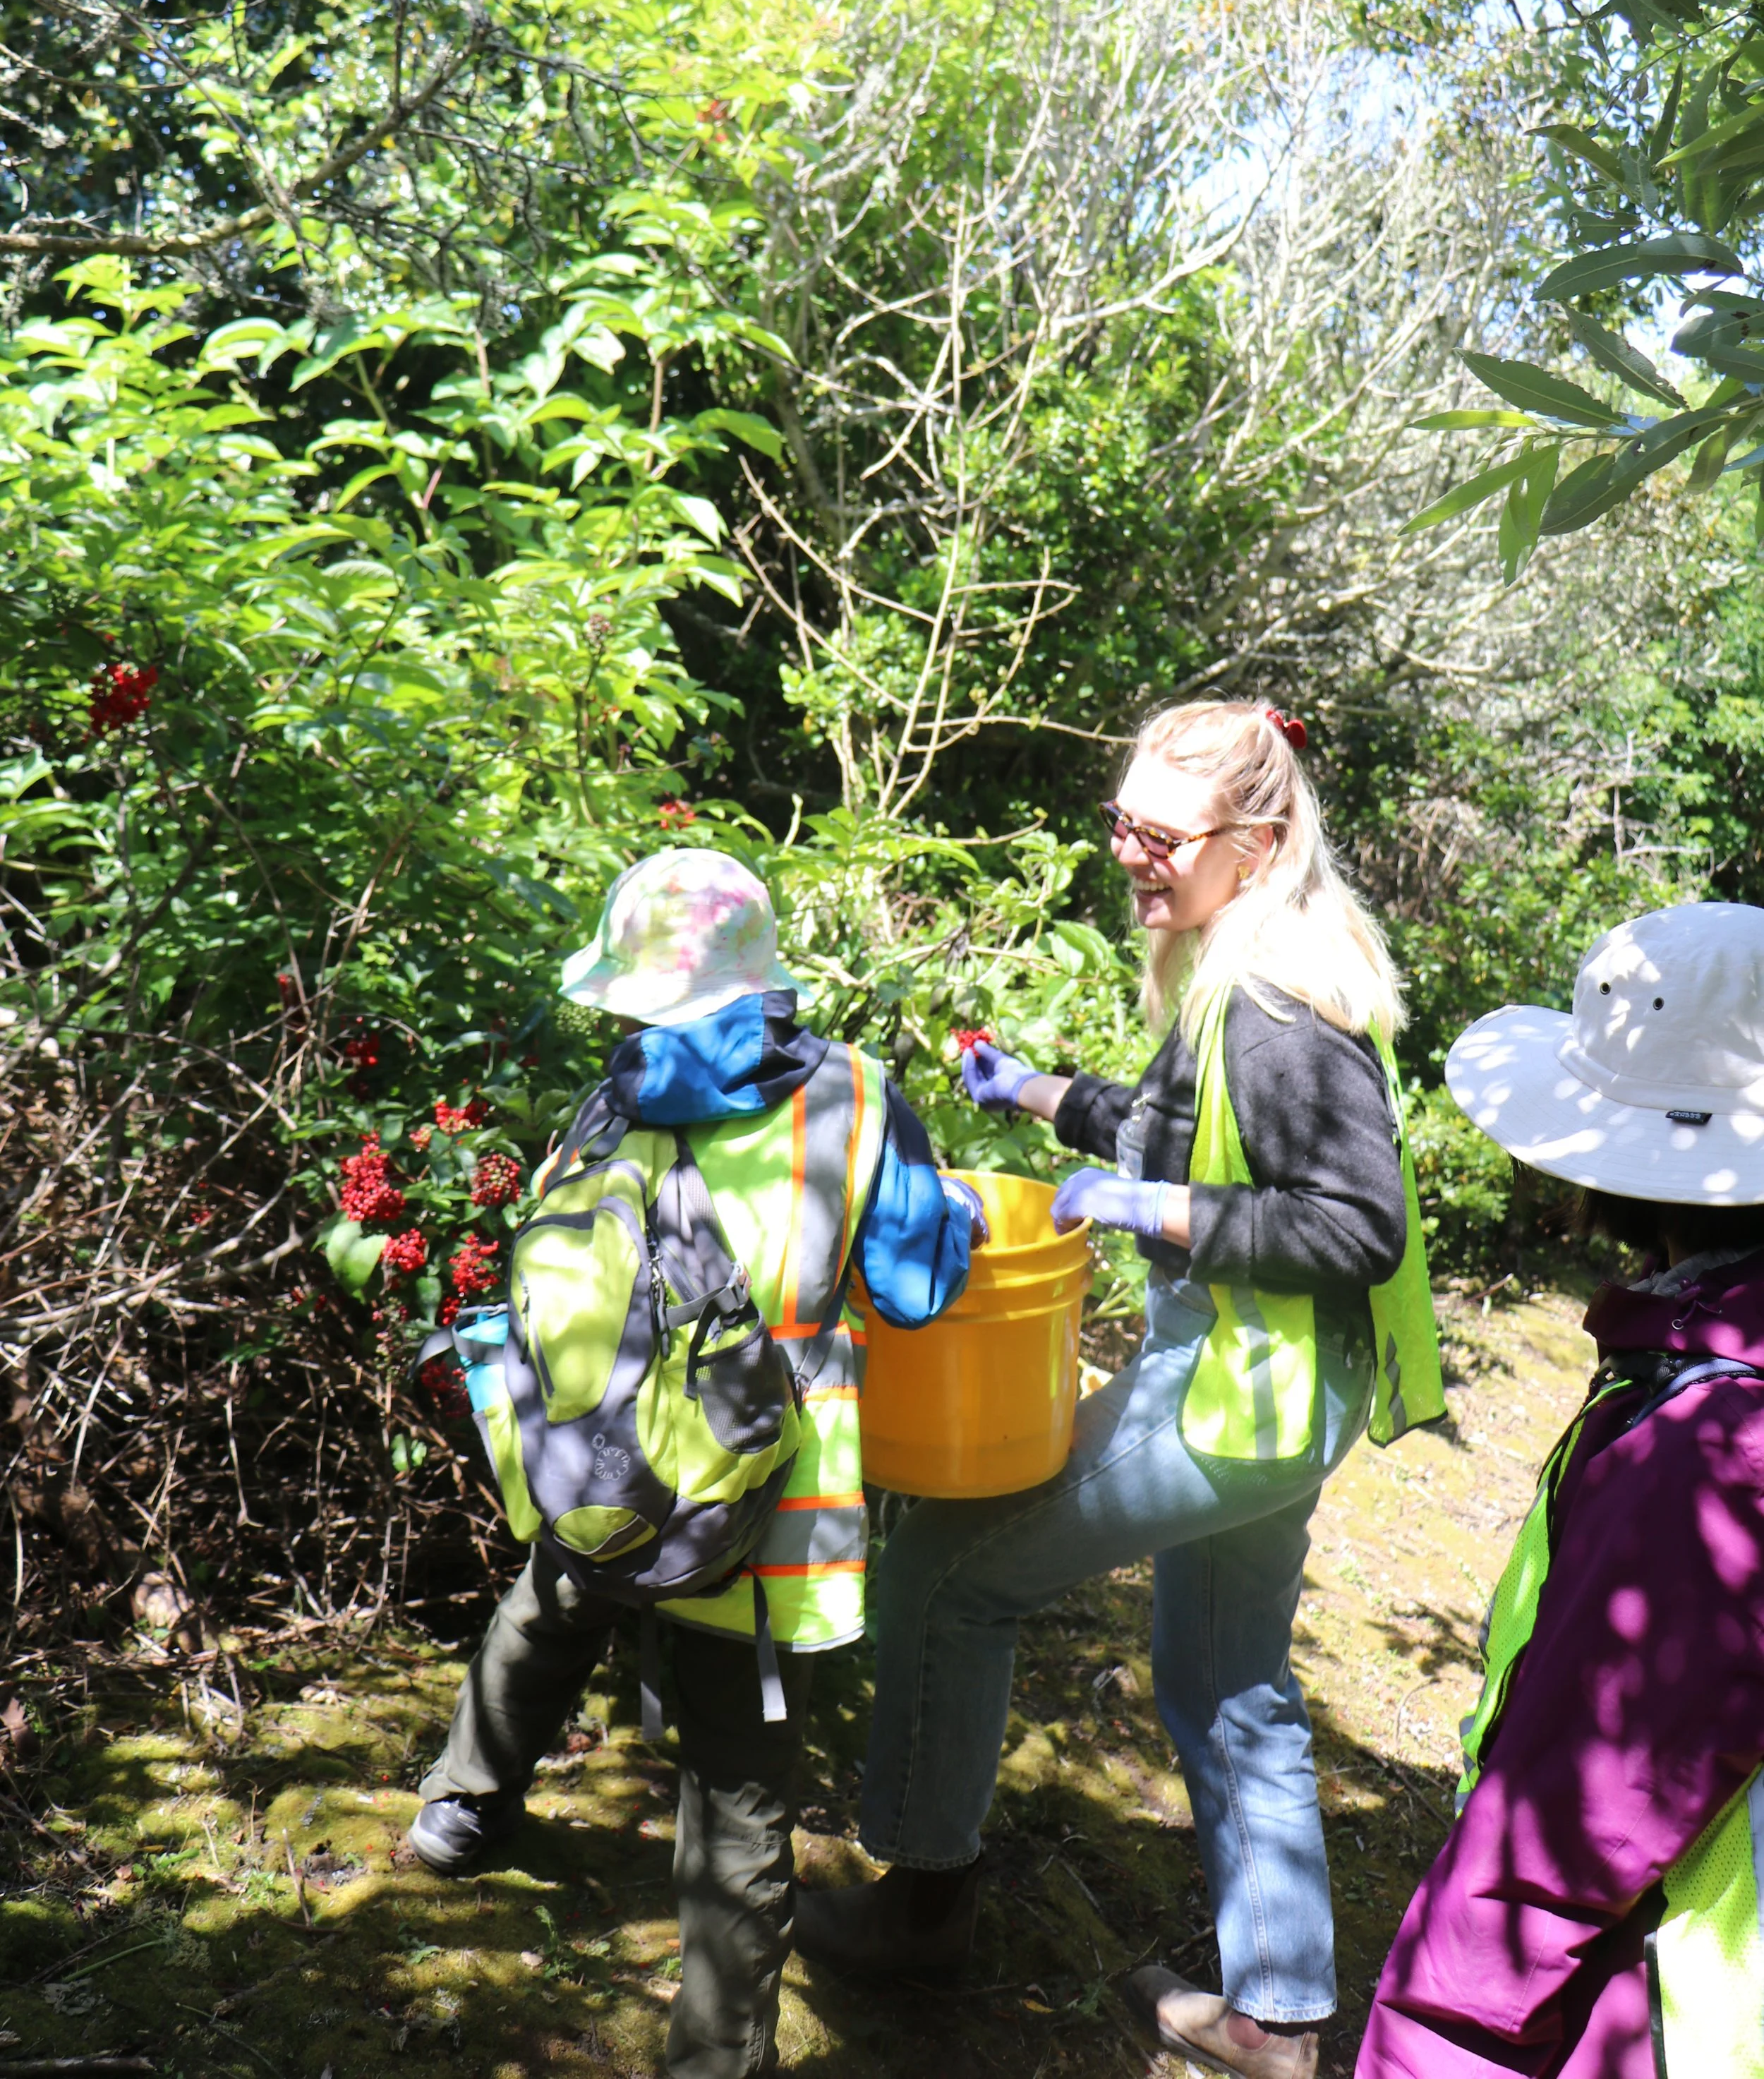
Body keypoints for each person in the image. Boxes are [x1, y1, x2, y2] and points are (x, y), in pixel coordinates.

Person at [797, 699, 1442, 2079]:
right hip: (1283, 1398)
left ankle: (919, 1910)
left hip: (1230, 1391)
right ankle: (1273, 2018)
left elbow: (1353, 1225)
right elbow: (1178, 1128)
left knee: (946, 1573)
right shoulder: (1247, 964)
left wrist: (1159, 1209)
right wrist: (1028, 1092)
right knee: (1223, 1679)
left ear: (1251, 844)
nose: (1130, 856)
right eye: (1121, 826)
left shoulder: (1270, 1009)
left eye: (1159, 836)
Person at [407, 848, 980, 2079]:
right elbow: (919, 1288)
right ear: (762, 978)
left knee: (545, 1614)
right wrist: (957, 1216)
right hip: (759, 1517)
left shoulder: (615, 1090)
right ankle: (714, 2062)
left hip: (602, 1470)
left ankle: (463, 1809)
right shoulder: (862, 1097)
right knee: (736, 1794)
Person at [1358, 898, 1764, 2079]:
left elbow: (1587, 1806)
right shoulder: (1701, 1368)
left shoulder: (1713, 1449)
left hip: (1667, 2009)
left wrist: (1429, 2040)